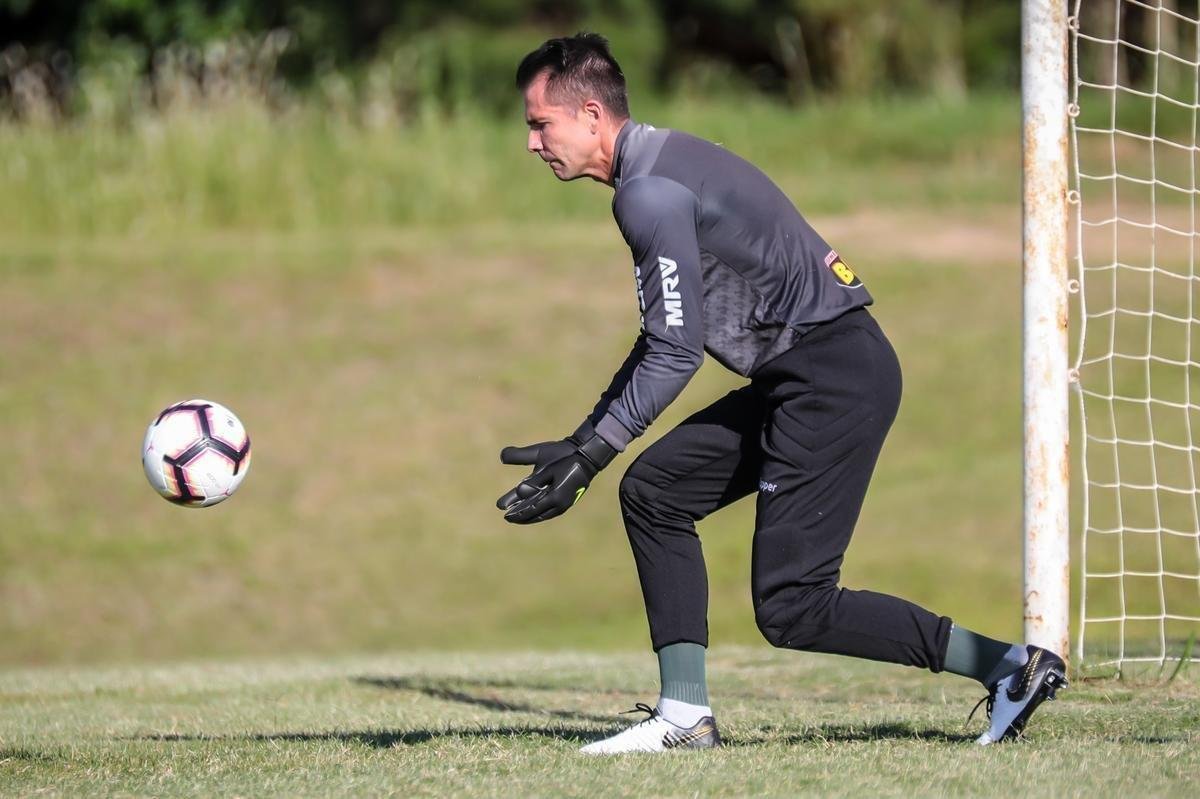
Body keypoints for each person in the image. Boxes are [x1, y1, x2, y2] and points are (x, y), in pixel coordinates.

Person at [496, 33, 1067, 755]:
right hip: (814, 370)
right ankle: (684, 715)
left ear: (589, 114)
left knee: (793, 603)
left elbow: (674, 351)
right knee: (656, 491)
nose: (532, 142)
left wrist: (591, 454)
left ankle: (1011, 667)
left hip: (831, 377)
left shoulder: (647, 193)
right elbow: (666, 335)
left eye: (539, 123)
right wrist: (584, 443)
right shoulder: (663, 161)